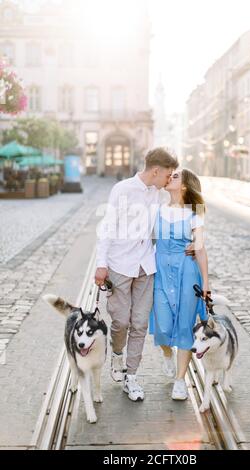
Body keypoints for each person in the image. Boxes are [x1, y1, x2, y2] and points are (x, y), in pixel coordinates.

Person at [95, 148, 195, 402]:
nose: (169, 179)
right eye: (168, 174)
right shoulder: (123, 190)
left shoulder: (158, 196)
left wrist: (191, 243)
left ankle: (132, 377)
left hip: (145, 267)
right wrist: (101, 263)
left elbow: (172, 221)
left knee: (139, 324)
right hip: (119, 265)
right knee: (120, 321)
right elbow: (106, 227)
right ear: (155, 171)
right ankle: (117, 353)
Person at [149, 169, 209, 401]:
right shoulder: (157, 209)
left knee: (185, 326)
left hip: (187, 271)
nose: (169, 177)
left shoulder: (195, 214)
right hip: (161, 271)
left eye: (174, 176)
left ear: (184, 186)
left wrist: (205, 281)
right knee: (163, 327)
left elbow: (201, 246)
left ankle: (180, 381)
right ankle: (167, 353)